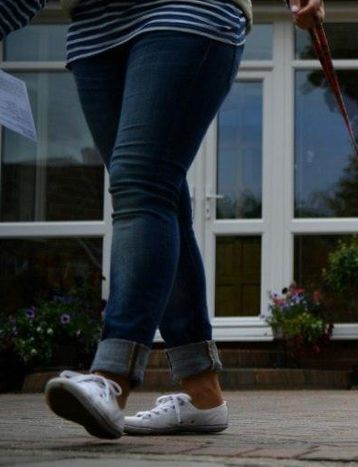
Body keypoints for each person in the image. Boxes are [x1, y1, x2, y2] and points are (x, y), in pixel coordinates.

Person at [0, 0, 325, 439]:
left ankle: (111, 378)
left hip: (184, 11)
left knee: (140, 186)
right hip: (94, 26)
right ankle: (202, 392)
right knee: (160, 195)